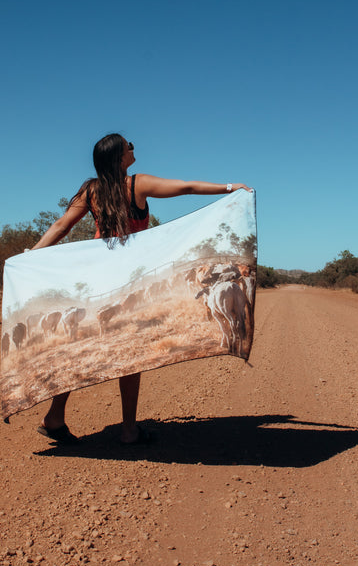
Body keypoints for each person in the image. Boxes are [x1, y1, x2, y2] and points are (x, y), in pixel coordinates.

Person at [30, 133, 251, 445]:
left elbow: (60, 226)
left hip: (95, 281)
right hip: (126, 280)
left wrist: (30, 254)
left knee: (80, 347)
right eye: (128, 145)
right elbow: (185, 187)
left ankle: (55, 417)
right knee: (131, 354)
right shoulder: (137, 184)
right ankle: (129, 430)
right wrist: (230, 187)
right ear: (120, 157)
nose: (133, 147)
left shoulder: (90, 189)